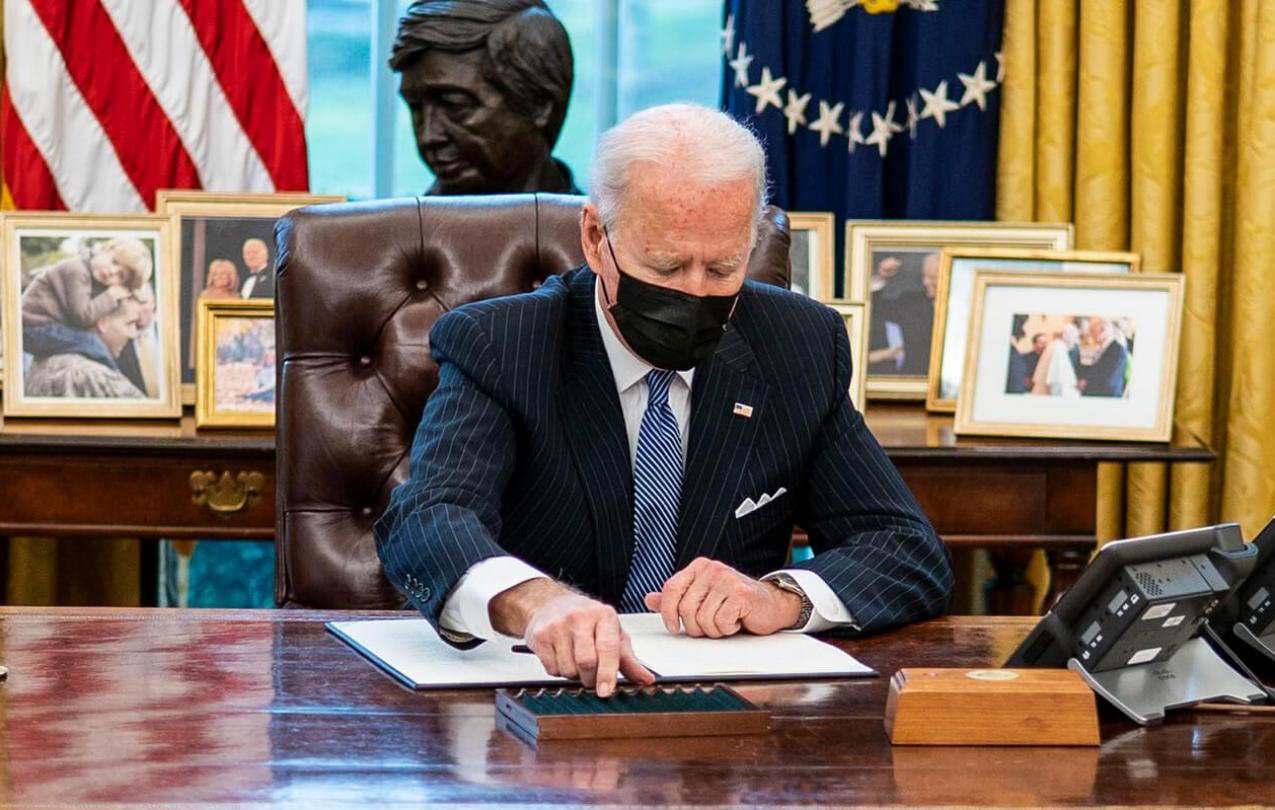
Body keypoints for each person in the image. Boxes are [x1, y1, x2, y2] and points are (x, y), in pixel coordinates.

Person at [374, 104, 952, 697]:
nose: (694, 292)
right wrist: (534, 602)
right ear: (597, 239)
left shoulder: (800, 345)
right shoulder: (501, 344)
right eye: (667, 265)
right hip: (534, 702)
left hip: (724, 716)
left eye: (723, 267)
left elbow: (904, 549)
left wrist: (779, 597)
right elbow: (427, 518)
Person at [389, 0, 580, 195]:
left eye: (455, 105)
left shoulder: (601, 225)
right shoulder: (395, 225)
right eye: (416, 108)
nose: (428, 136)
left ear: (539, 104)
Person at [21, 237, 152, 357]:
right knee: (92, 344)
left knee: (91, 343)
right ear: (103, 250)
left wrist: (132, 295)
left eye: (120, 276)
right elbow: (82, 316)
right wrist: (111, 295)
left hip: (45, 327)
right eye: (114, 261)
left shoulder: (95, 279)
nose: (112, 271)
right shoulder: (76, 270)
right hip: (32, 326)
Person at [25, 297, 146, 399]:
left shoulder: (40, 362)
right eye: (130, 323)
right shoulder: (91, 375)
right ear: (103, 321)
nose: (133, 334)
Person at [1078, 317, 1128, 397]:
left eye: (1093, 332)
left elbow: (1110, 382)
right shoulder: (1102, 348)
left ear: (1103, 330)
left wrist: (1086, 385)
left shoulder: (1118, 351)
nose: (1091, 336)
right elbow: (1097, 372)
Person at [1031, 323, 1081, 397]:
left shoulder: (1056, 346)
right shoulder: (1058, 350)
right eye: (1075, 337)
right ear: (1065, 336)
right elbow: (1057, 385)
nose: (1077, 341)